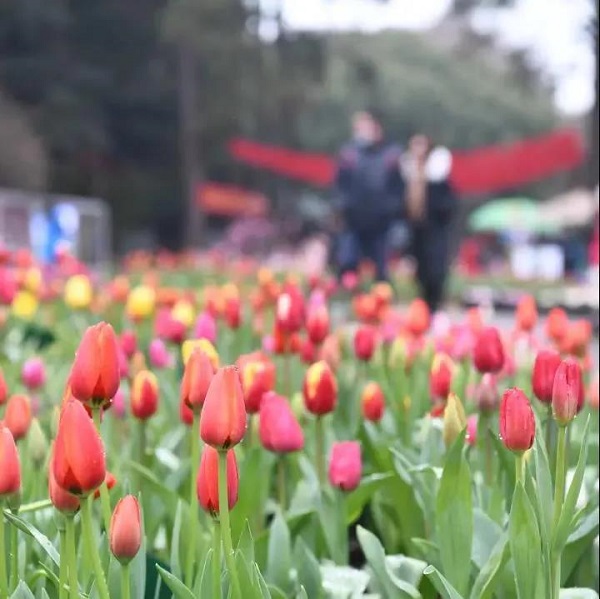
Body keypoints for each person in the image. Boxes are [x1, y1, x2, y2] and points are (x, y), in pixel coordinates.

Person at [333, 109, 404, 282]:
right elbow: (340, 186)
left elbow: (398, 187)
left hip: (381, 221)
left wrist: (392, 209)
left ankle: (380, 295)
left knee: (381, 269)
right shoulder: (348, 155)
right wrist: (342, 208)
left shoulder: (391, 155)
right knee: (348, 264)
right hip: (353, 220)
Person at [401, 133, 457, 313]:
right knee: (421, 275)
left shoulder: (439, 179)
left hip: (436, 233)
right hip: (416, 234)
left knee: (436, 273)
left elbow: (449, 207)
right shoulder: (407, 177)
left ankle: (435, 306)